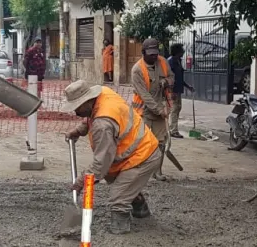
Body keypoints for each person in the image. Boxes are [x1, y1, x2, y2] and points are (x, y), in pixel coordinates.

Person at [63, 80, 163, 234]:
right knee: (114, 177)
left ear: (88, 101)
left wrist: (81, 180)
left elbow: (101, 163)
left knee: (117, 199)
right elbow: (92, 116)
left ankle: (120, 231)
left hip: (143, 156)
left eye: (77, 107)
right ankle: (140, 208)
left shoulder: (102, 124)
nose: (75, 112)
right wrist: (79, 130)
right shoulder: (103, 93)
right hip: (135, 151)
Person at [131, 38, 173, 180]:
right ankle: (140, 172)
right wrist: (160, 110)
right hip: (144, 112)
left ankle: (157, 171)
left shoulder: (163, 62)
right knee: (143, 143)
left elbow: (172, 77)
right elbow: (145, 96)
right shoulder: (137, 70)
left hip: (160, 110)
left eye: (156, 53)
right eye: (151, 54)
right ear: (143, 53)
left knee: (161, 142)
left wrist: (166, 81)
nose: (154, 56)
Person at [167, 43, 193, 138]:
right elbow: (170, 77)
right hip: (173, 90)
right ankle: (173, 130)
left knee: (177, 108)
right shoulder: (171, 62)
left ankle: (172, 128)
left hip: (178, 89)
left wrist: (187, 86)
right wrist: (171, 91)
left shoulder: (177, 61)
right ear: (177, 51)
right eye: (182, 50)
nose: (183, 51)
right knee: (174, 109)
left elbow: (179, 77)